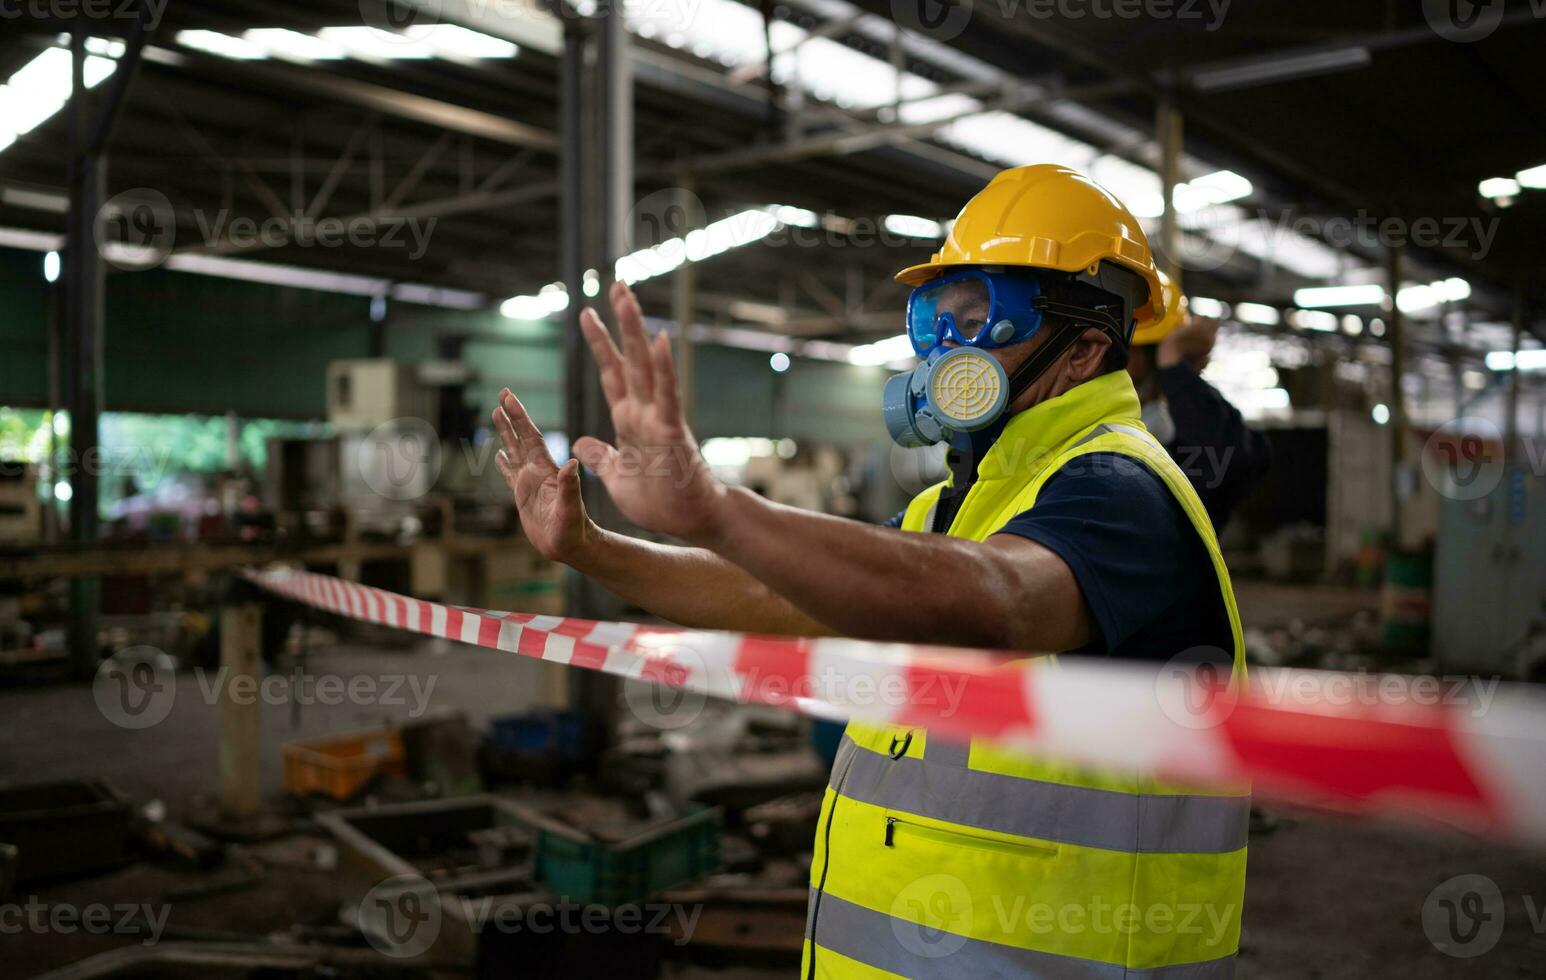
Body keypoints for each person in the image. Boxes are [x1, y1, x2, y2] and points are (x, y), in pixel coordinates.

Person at [492, 164, 1248, 978]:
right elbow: (771, 593)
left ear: (1085, 347)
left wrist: (717, 507)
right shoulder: (953, 507)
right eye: (935, 319)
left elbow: (998, 603)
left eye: (982, 316)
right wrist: (591, 548)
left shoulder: (1119, 489)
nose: (945, 349)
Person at [1127, 273, 1272, 530]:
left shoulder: (1176, 435)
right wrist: (1175, 366)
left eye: (1137, 353)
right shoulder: (1098, 442)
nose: (1129, 367)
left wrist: (1178, 373)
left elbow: (1235, 461)